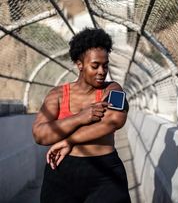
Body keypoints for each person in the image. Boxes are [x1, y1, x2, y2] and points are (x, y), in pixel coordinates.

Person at [32, 28, 131, 203]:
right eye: (95, 65)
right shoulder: (57, 95)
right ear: (79, 64)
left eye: (105, 65)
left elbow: (114, 120)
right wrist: (81, 117)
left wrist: (69, 141)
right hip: (62, 172)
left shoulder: (113, 89)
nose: (102, 71)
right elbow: (40, 135)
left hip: (105, 174)